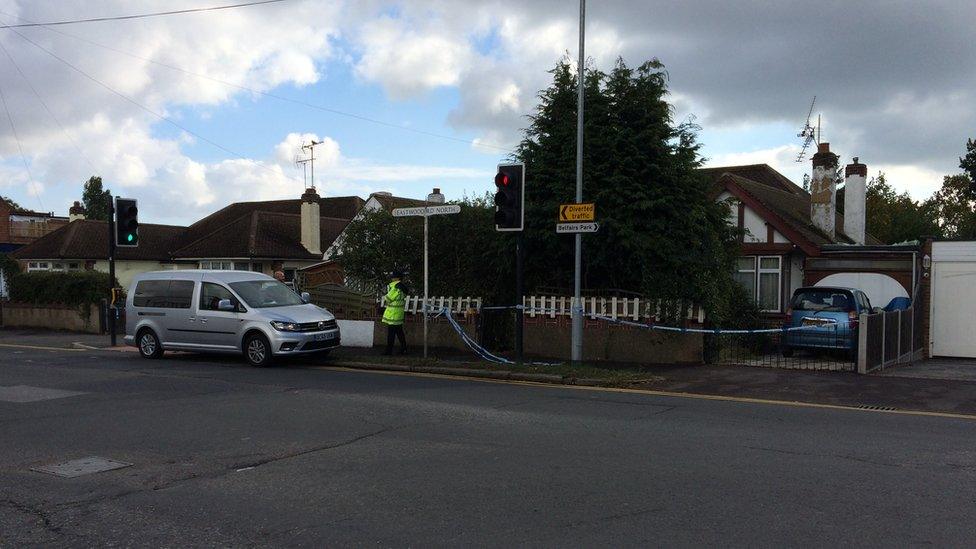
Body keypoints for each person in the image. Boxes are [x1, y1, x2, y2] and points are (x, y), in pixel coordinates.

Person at [382, 271, 407, 355]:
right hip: (398, 313)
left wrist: (386, 298)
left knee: (391, 334)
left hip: (393, 314)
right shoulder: (401, 286)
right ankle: (404, 349)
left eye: (393, 277)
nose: (392, 278)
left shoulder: (395, 286)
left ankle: (389, 351)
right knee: (399, 332)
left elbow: (388, 298)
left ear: (397, 278)